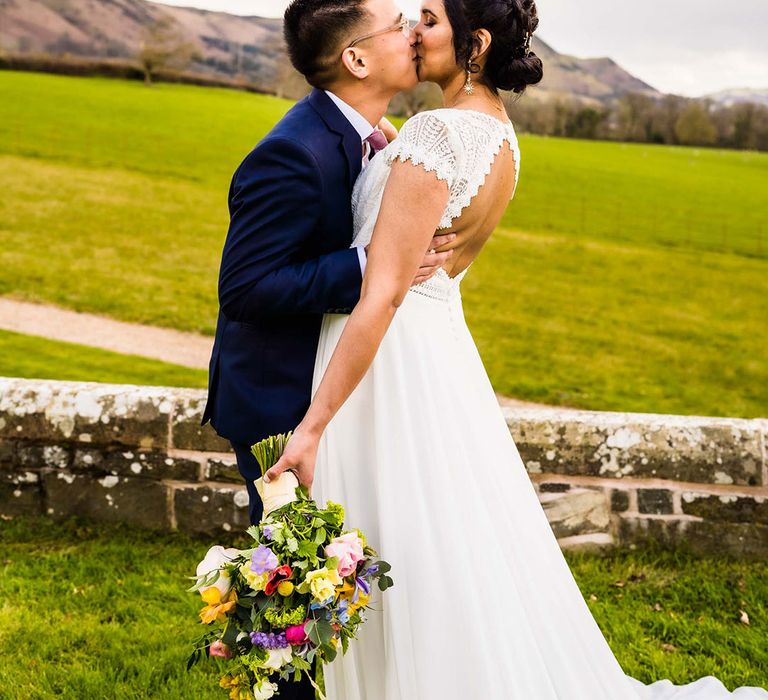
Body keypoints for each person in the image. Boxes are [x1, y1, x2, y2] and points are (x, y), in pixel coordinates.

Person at [264, 0, 768, 698]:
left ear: (474, 43)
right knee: (445, 546)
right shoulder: (498, 136)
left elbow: (380, 295)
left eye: (431, 20)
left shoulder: (435, 135)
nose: (415, 31)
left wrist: (314, 425)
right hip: (439, 357)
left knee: (406, 550)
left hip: (391, 368)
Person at [200, 0, 455, 696]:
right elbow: (245, 288)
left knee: (328, 585)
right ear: (357, 59)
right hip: (275, 403)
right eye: (399, 21)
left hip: (319, 390)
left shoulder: (372, 135)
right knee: (294, 600)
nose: (413, 31)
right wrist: (371, 262)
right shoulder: (292, 151)